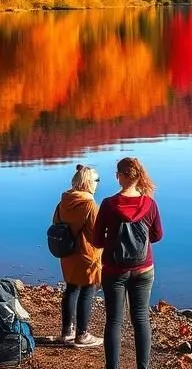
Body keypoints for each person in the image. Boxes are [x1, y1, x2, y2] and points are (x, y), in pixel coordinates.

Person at [92, 157, 163, 369]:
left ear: (119, 177)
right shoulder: (149, 204)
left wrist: (113, 240)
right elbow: (158, 235)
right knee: (141, 320)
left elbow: (96, 240)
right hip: (143, 268)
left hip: (114, 269)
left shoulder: (108, 204)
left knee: (114, 321)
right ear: (138, 176)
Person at [55, 164, 103, 348]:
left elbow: (56, 223)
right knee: (88, 291)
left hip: (67, 254)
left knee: (71, 290)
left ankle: (67, 332)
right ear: (89, 183)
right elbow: (96, 235)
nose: (98, 184)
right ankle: (82, 335)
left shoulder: (64, 201)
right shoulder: (89, 205)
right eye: (97, 180)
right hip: (86, 255)